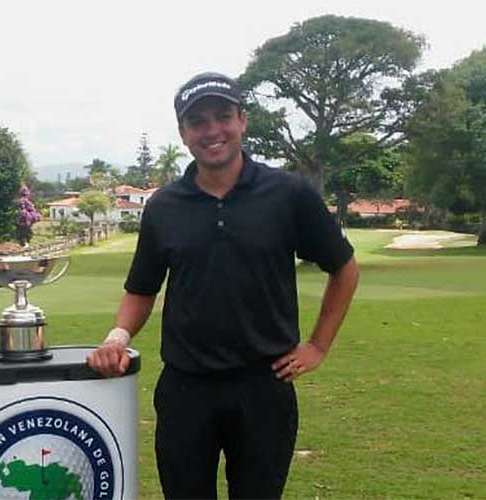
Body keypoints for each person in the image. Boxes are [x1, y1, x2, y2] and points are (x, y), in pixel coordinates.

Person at [87, 72, 359, 499]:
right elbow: (142, 288)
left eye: (222, 116)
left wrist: (318, 345)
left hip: (264, 387)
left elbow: (344, 267)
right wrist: (117, 336)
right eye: (198, 121)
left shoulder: (287, 193)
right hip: (185, 389)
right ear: (183, 133)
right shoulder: (164, 206)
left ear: (242, 121)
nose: (212, 130)